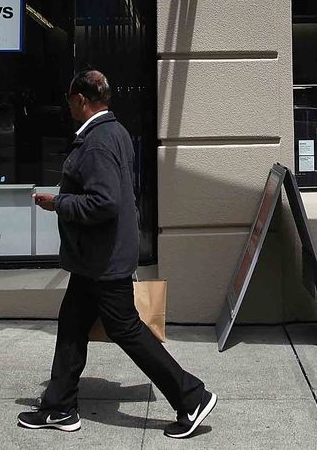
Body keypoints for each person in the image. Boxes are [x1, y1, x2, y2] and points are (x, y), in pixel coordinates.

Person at [19, 70, 217, 439]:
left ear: (81, 100)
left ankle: (191, 396)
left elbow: (104, 202)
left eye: (69, 100)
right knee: (73, 325)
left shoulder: (96, 142)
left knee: (126, 329)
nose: (68, 107)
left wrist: (58, 203)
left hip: (103, 260)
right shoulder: (115, 132)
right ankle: (60, 406)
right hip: (95, 259)